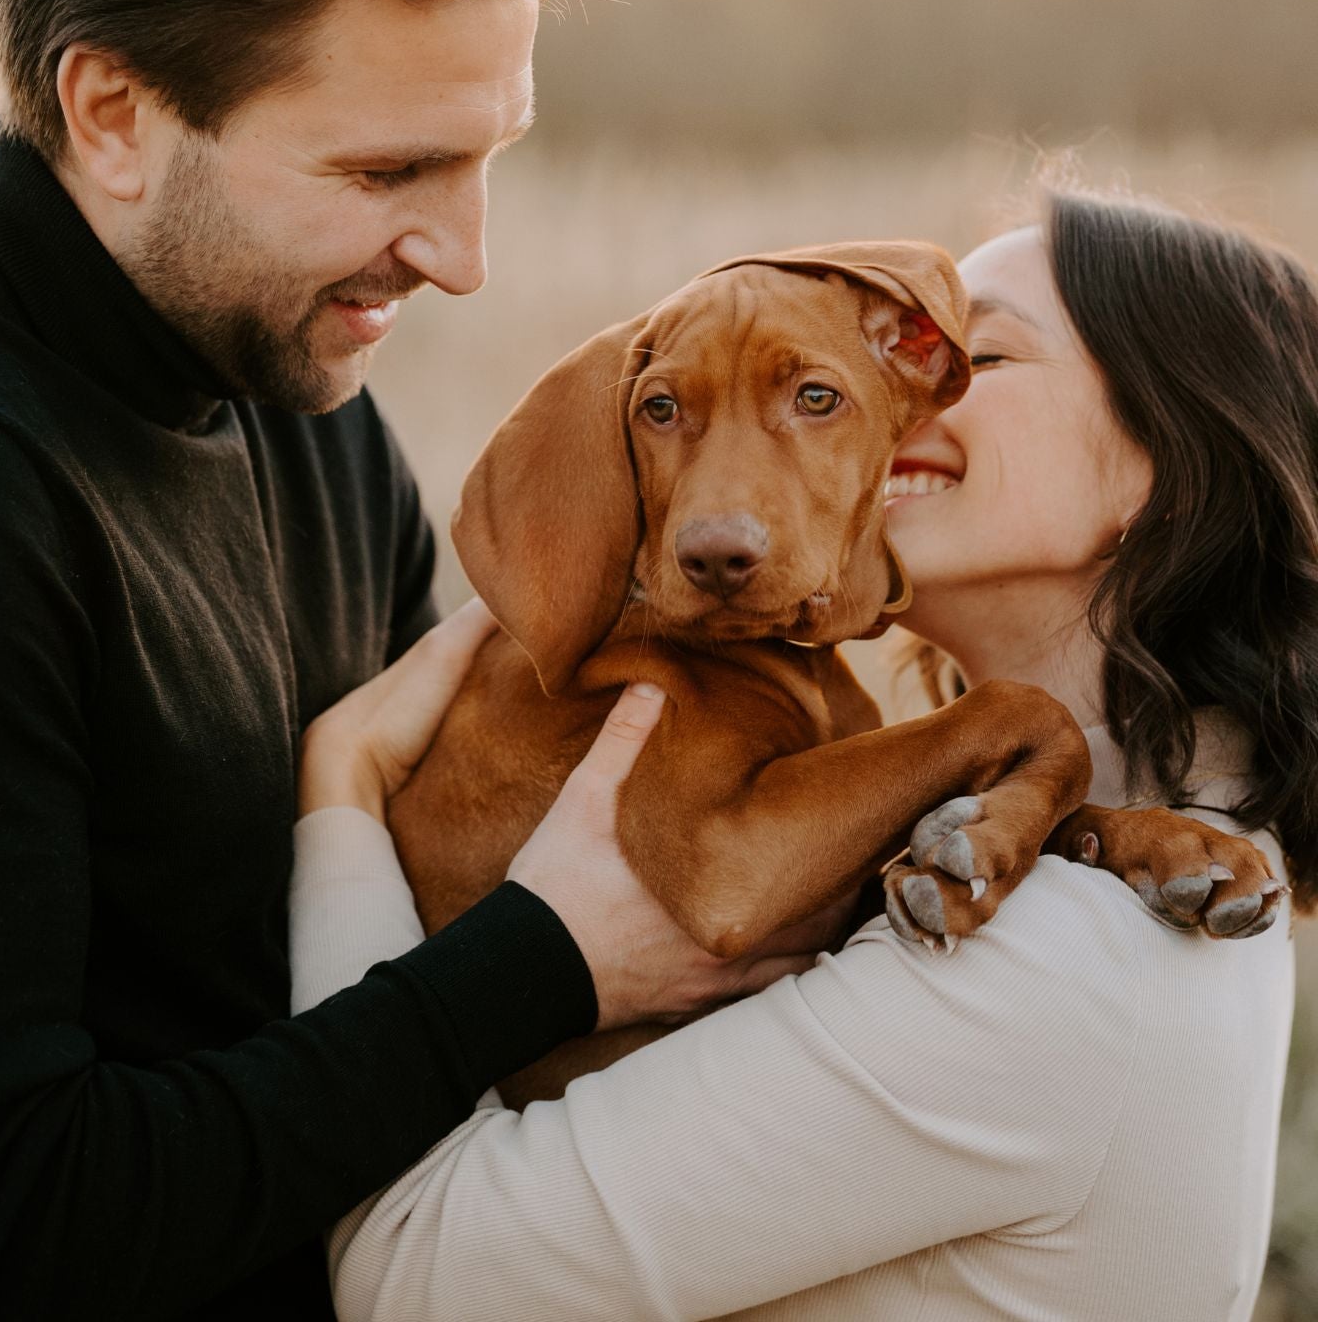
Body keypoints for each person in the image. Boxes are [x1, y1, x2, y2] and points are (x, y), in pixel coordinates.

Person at [0, 0, 836, 1319]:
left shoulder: (288, 382)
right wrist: (543, 963)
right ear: (113, 114)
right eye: (388, 175)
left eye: (488, 160)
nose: (465, 257)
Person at [296, 191, 1318, 1319]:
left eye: (966, 355)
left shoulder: (1065, 967)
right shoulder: (1143, 883)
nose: (905, 399)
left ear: (1160, 467)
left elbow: (416, 1278)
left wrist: (339, 793)